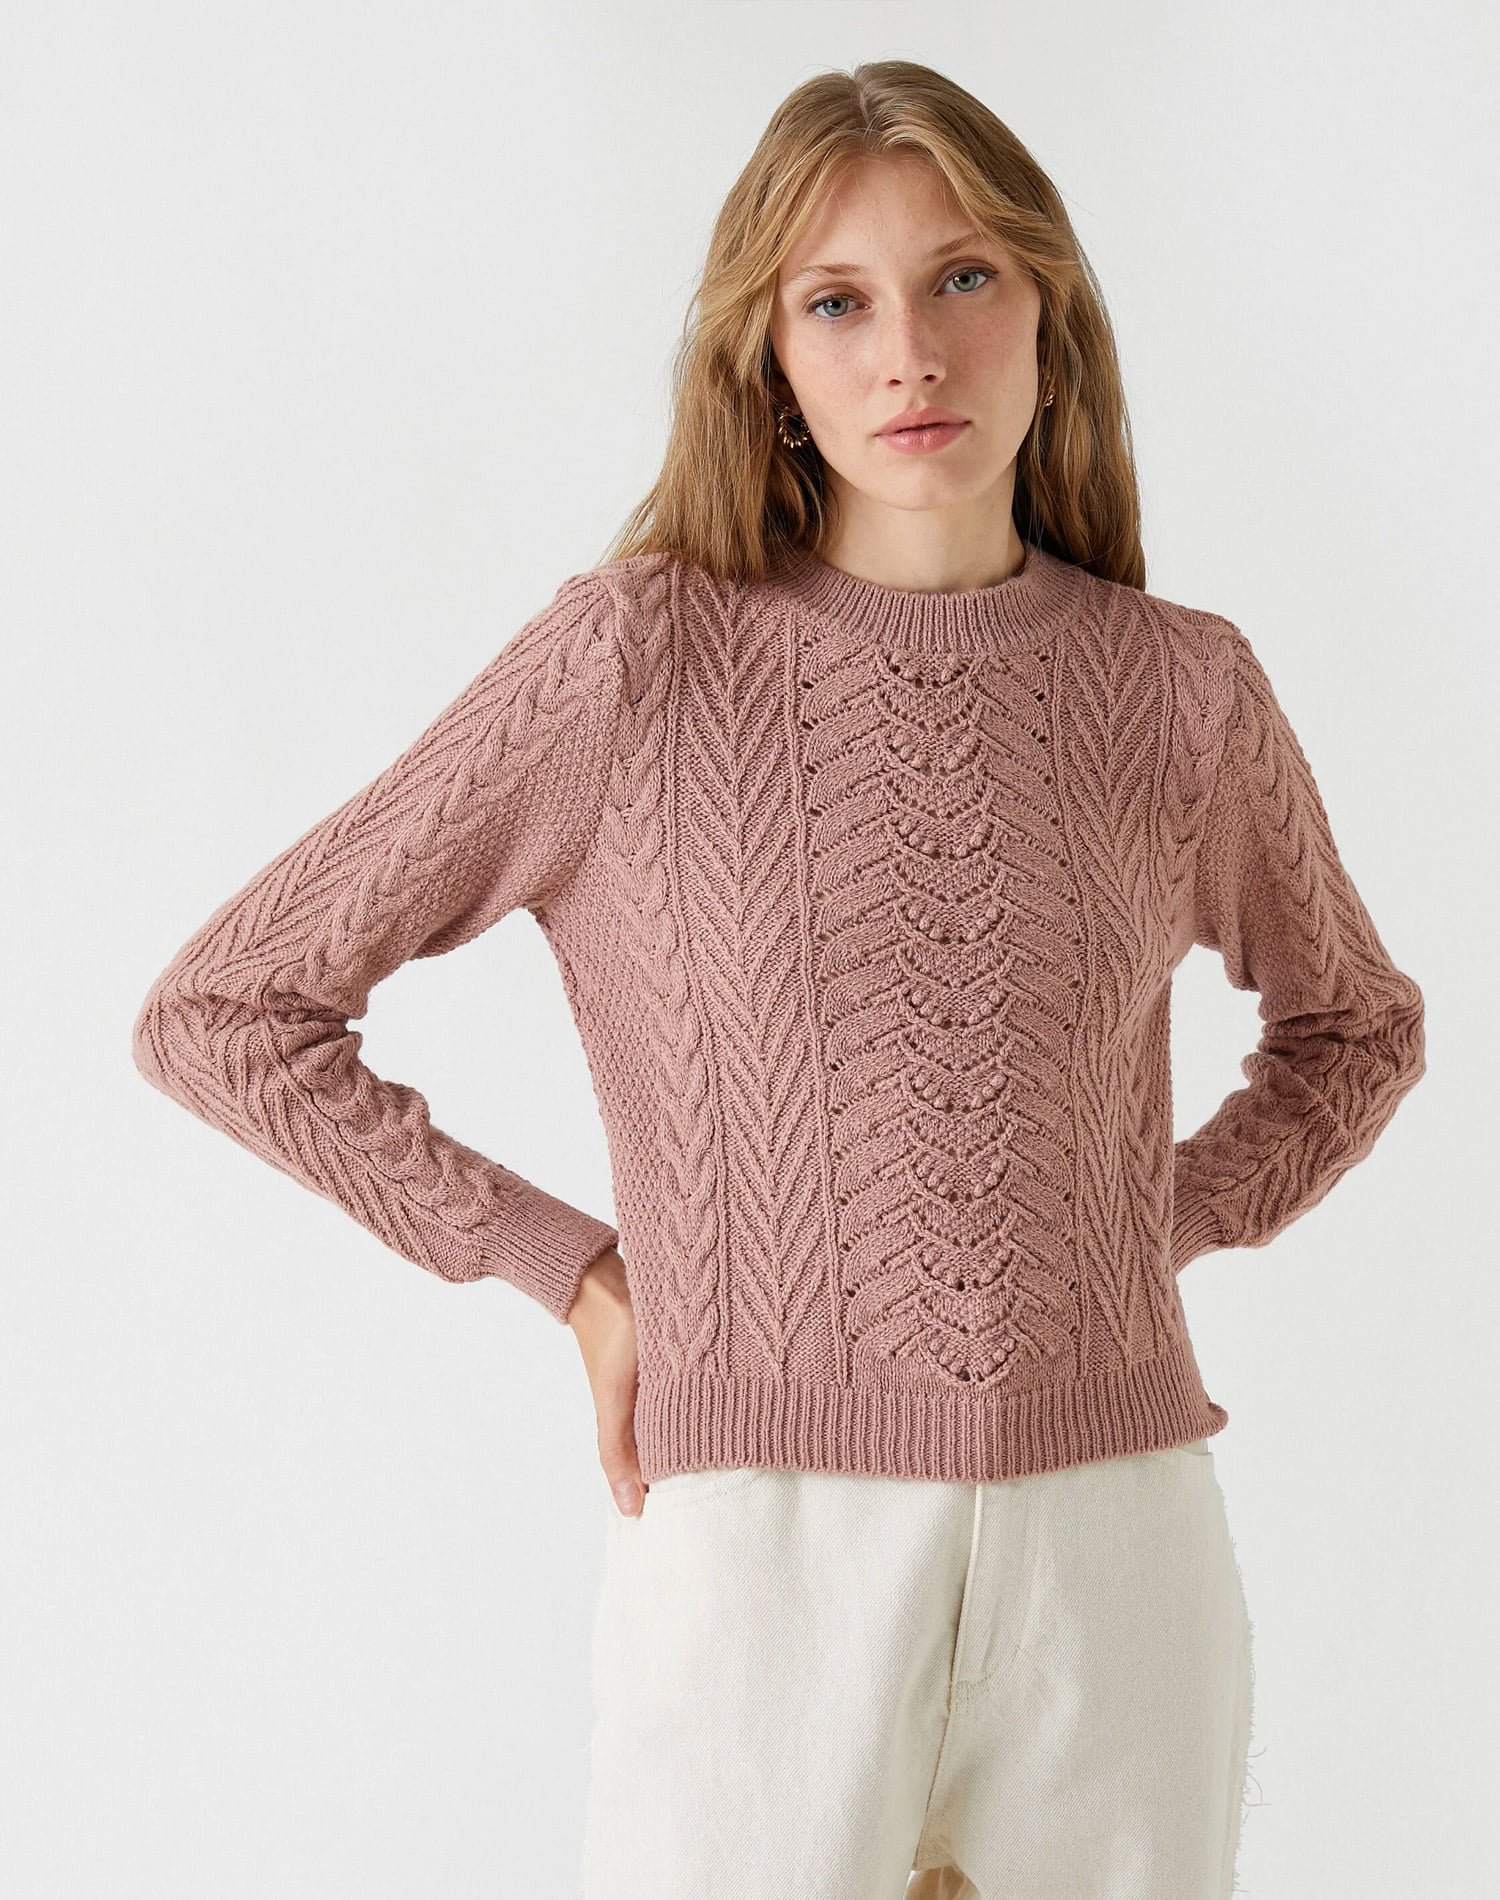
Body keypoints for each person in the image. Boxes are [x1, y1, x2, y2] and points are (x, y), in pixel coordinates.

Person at [131, 57, 1426, 1900]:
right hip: (766, 1554)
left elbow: (1357, 1028)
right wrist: (572, 1273)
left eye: (965, 278)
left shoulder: (1181, 687)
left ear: (1051, 317)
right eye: (838, 303)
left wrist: (1150, 1224)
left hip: (1118, 1547)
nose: (912, 353)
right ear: (771, 359)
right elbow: (228, 1011)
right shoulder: (634, 659)